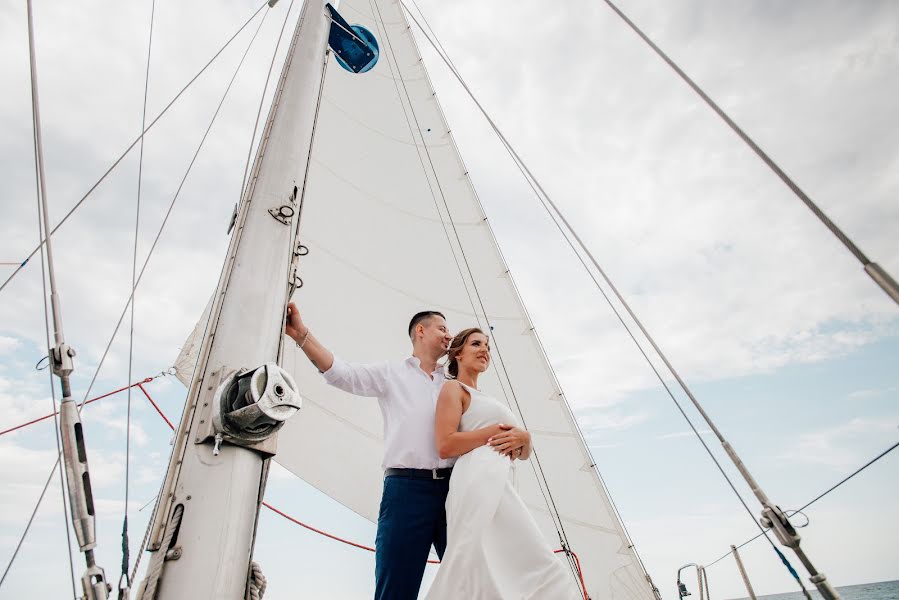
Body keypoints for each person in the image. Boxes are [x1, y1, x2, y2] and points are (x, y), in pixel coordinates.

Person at [284, 304, 530, 600]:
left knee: (473, 584)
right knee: (396, 587)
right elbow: (341, 373)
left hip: (456, 490)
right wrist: (301, 334)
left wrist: (522, 438)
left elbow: (484, 425)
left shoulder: (455, 385)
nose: (448, 335)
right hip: (406, 490)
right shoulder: (391, 373)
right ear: (420, 331)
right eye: (442, 328)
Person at [426, 328, 582, 599]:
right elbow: (446, 444)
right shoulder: (454, 388)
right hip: (476, 482)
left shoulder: (489, 399)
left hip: (500, 482)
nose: (484, 349)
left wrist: (526, 438)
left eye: (487, 345)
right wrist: (495, 433)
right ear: (458, 353)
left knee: (493, 567)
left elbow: (521, 452)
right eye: (476, 344)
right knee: (511, 563)